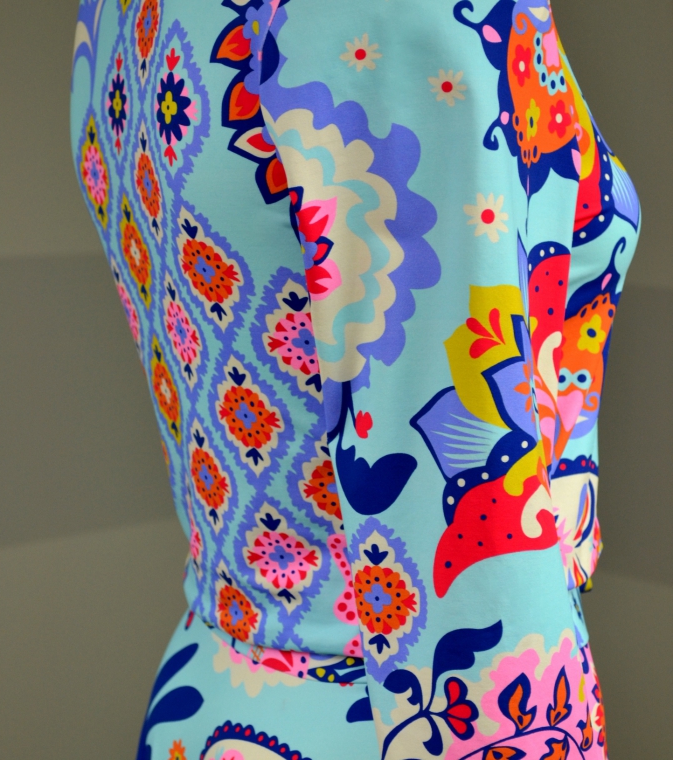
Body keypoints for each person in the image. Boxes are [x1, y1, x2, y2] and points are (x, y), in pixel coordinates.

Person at [70, 0, 640, 758]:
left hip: (209, 698)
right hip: (414, 717)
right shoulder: (409, 11)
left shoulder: (113, 13)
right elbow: (466, 537)